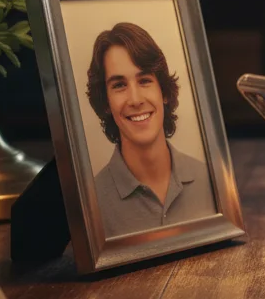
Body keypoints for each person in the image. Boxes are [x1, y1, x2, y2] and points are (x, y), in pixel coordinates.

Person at [87, 22, 216, 238]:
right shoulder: (91, 202)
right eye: (119, 85)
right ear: (106, 103)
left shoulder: (211, 180)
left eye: (145, 80)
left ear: (163, 92)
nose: (135, 100)